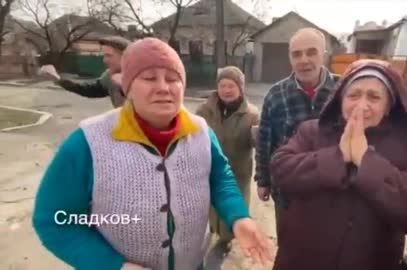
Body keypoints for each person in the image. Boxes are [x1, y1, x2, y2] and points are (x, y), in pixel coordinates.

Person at [32, 37, 273, 270]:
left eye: (172, 79)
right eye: (149, 78)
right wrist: (114, 266)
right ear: (128, 87)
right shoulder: (87, 143)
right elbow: (56, 222)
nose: (163, 88)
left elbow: (221, 179)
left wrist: (239, 217)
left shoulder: (201, 132)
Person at [269, 59, 407, 270]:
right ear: (341, 100)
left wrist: (366, 161)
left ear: (388, 107)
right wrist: (338, 157)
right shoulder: (313, 131)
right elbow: (280, 169)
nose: (361, 105)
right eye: (353, 95)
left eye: (374, 97)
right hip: (298, 261)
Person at [254, 27, 339, 235]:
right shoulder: (275, 94)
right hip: (287, 192)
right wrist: (263, 180)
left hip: (332, 190)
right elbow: (265, 140)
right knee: (289, 244)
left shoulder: (344, 90)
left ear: (324, 56)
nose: (303, 60)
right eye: (296, 54)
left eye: (311, 52)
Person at [196, 66, 259, 252]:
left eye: (231, 85)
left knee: (232, 207)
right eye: (222, 85)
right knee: (210, 205)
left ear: (241, 88)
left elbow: (257, 142)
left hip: (237, 171)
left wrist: (258, 137)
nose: (226, 90)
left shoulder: (252, 114)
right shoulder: (204, 110)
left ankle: (226, 238)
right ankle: (212, 231)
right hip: (207, 167)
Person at [39, 36, 131, 108]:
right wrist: (59, 80)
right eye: (104, 55)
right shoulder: (109, 76)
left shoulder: (141, 77)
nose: (104, 60)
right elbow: (89, 89)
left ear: (126, 56)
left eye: (109, 56)